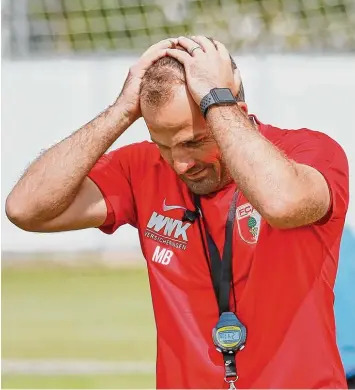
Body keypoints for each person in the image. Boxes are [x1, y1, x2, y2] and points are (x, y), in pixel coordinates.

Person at [5, 36, 349, 389]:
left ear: (233, 111)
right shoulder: (141, 167)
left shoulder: (310, 152)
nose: (181, 164)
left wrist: (217, 101)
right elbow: (26, 208)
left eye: (193, 142)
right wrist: (121, 111)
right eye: (163, 145)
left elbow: (282, 204)